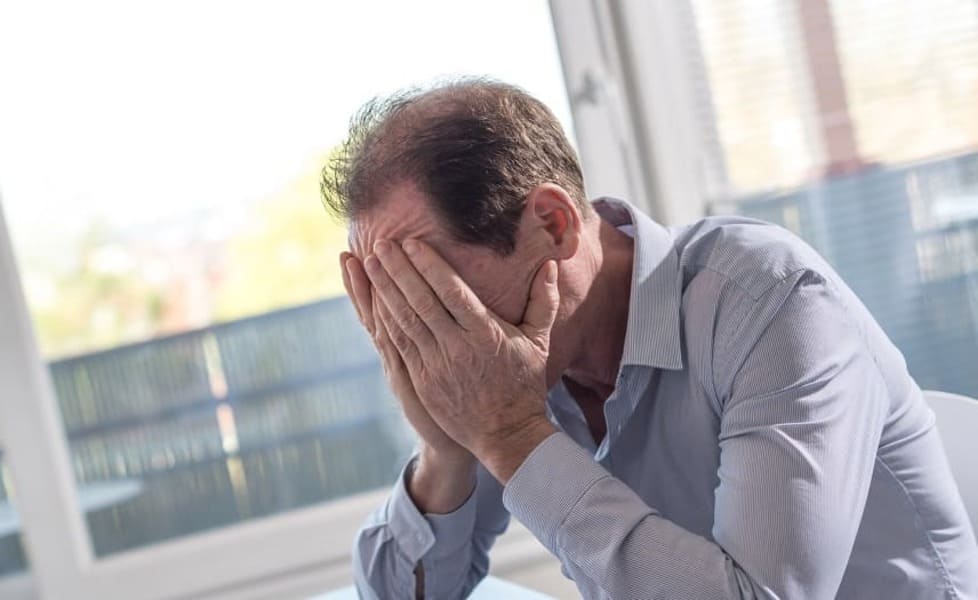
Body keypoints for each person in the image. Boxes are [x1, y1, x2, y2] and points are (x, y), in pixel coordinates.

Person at [322, 78, 978, 599]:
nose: (424, 335)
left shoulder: (769, 299)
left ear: (552, 225)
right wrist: (446, 451)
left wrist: (511, 438)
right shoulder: (513, 366)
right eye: (397, 301)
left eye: (435, 294)